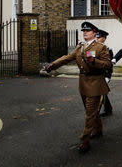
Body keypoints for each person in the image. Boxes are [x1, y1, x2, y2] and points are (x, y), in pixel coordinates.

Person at [44, 21, 111, 153]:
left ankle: (85, 140)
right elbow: (67, 58)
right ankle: (98, 130)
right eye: (83, 31)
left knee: (89, 113)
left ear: (94, 32)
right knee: (90, 111)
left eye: (87, 31)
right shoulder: (80, 47)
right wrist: (53, 65)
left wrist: (95, 61)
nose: (84, 33)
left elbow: (107, 64)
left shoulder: (100, 47)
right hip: (83, 83)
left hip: (95, 83)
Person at [96, 29, 113, 117]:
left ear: (104, 38)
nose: (97, 39)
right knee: (101, 92)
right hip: (96, 74)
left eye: (99, 37)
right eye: (97, 37)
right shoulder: (93, 48)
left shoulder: (108, 49)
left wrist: (108, 76)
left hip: (104, 74)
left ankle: (99, 110)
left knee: (101, 93)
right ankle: (108, 108)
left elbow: (109, 64)